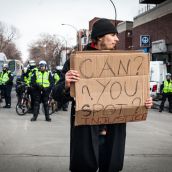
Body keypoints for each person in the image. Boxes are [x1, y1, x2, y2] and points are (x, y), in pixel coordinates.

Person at [56, 18, 153, 172]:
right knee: (85, 167)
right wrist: (66, 84)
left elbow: (131, 92)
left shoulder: (123, 61)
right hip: (87, 130)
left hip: (114, 130)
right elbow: (56, 95)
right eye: (113, 35)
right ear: (100, 36)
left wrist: (143, 102)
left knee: (110, 166)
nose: (117, 39)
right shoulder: (76, 60)